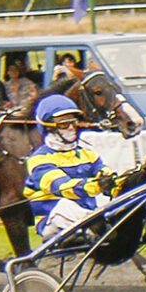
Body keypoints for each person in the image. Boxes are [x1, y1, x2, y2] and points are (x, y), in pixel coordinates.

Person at [23, 94, 110, 240]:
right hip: (52, 221)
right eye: (64, 124)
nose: (71, 128)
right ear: (48, 126)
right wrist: (97, 185)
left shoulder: (87, 154)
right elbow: (62, 187)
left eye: (74, 122)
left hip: (87, 214)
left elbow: (105, 173)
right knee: (65, 205)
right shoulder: (38, 160)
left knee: (134, 193)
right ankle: (99, 226)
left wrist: (117, 181)